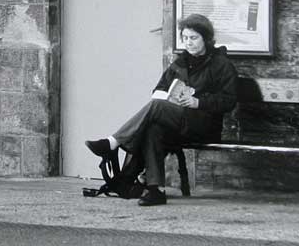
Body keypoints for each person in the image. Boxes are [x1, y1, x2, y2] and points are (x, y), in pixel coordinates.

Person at [84, 14, 237, 206]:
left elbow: (229, 100)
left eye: (194, 38)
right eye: (186, 38)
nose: (189, 43)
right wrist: (168, 96)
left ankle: (113, 142)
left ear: (206, 38)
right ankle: (156, 190)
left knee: (156, 108)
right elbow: (158, 90)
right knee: (153, 129)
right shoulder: (180, 63)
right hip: (177, 121)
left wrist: (198, 102)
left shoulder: (221, 64)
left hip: (203, 125)